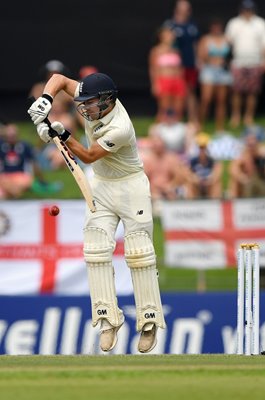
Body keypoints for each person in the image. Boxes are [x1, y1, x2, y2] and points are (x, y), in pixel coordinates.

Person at [27, 72, 166, 353]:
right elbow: (59, 79)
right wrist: (46, 99)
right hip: (101, 185)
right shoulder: (96, 102)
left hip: (131, 187)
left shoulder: (120, 128)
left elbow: (89, 155)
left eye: (89, 104)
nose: (84, 109)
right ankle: (106, 318)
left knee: (139, 252)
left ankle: (149, 319)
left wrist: (60, 133)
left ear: (107, 101)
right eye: (82, 102)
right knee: (95, 248)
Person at [225, 0, 265, 127]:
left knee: (252, 92)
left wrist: (264, 61)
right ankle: (236, 116)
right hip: (238, 62)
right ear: (241, 10)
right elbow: (228, 42)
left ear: (253, 10)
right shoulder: (234, 23)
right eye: (245, 9)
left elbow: (264, 45)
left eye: (249, 9)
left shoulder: (260, 23)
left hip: (255, 62)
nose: (247, 12)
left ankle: (249, 117)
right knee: (236, 91)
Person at [163, 0, 200, 124]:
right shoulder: (170, 25)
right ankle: (172, 119)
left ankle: (192, 119)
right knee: (174, 93)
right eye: (183, 8)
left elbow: (195, 45)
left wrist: (198, 60)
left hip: (189, 63)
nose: (185, 10)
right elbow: (165, 42)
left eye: (187, 8)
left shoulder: (192, 25)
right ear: (177, 9)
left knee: (190, 91)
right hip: (174, 65)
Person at [197, 19, 232, 131]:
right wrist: (212, 60)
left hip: (223, 72)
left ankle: (220, 128)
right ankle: (200, 125)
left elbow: (231, 55)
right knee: (206, 99)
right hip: (209, 71)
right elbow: (201, 56)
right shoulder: (205, 39)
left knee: (221, 100)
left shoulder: (226, 39)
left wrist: (224, 61)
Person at [149, 26, 187, 122]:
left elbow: (180, 68)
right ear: (161, 36)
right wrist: (155, 84)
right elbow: (153, 69)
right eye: (168, 34)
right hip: (164, 80)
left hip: (177, 81)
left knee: (178, 108)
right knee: (164, 109)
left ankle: (176, 132)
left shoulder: (176, 51)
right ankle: (159, 132)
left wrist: (182, 82)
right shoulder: (156, 51)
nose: (171, 36)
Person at [0, 124, 43, 199]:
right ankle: (15, 193)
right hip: (6, 176)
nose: (11, 138)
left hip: (20, 175)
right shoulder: (2, 145)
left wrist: (40, 178)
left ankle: (12, 192)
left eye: (13, 135)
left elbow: (34, 162)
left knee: (26, 181)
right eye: (9, 136)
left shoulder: (25, 146)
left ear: (17, 135)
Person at [186, 133, 223, 199]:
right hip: (197, 184)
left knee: (217, 184)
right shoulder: (192, 161)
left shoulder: (213, 160)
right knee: (189, 184)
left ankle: (214, 205)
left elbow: (217, 173)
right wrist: (194, 179)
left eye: (204, 147)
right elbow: (187, 174)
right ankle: (191, 206)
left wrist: (211, 180)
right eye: (201, 148)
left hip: (209, 184)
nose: (202, 150)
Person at [228, 132, 265, 198]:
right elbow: (233, 169)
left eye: (253, 144)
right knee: (234, 181)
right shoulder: (243, 154)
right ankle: (237, 202)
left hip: (261, 179)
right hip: (248, 180)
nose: (251, 146)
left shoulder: (262, 152)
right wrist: (242, 177)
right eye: (249, 144)